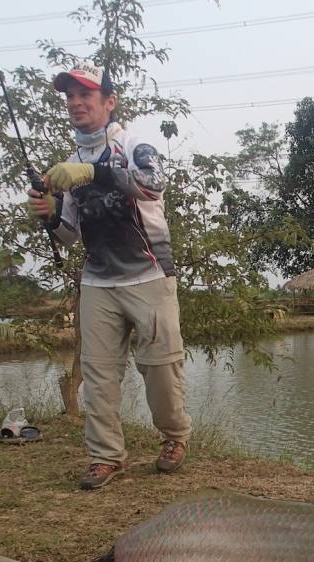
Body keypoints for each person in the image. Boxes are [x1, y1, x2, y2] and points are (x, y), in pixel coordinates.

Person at [27, 61, 191, 490]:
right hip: (98, 281)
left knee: (160, 368)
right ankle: (106, 456)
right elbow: (67, 235)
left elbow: (154, 184)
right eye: (69, 97)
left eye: (85, 95)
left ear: (109, 102)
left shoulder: (135, 145)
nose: (76, 103)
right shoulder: (67, 168)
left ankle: (174, 436)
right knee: (98, 374)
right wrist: (49, 216)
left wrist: (95, 172)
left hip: (150, 274)